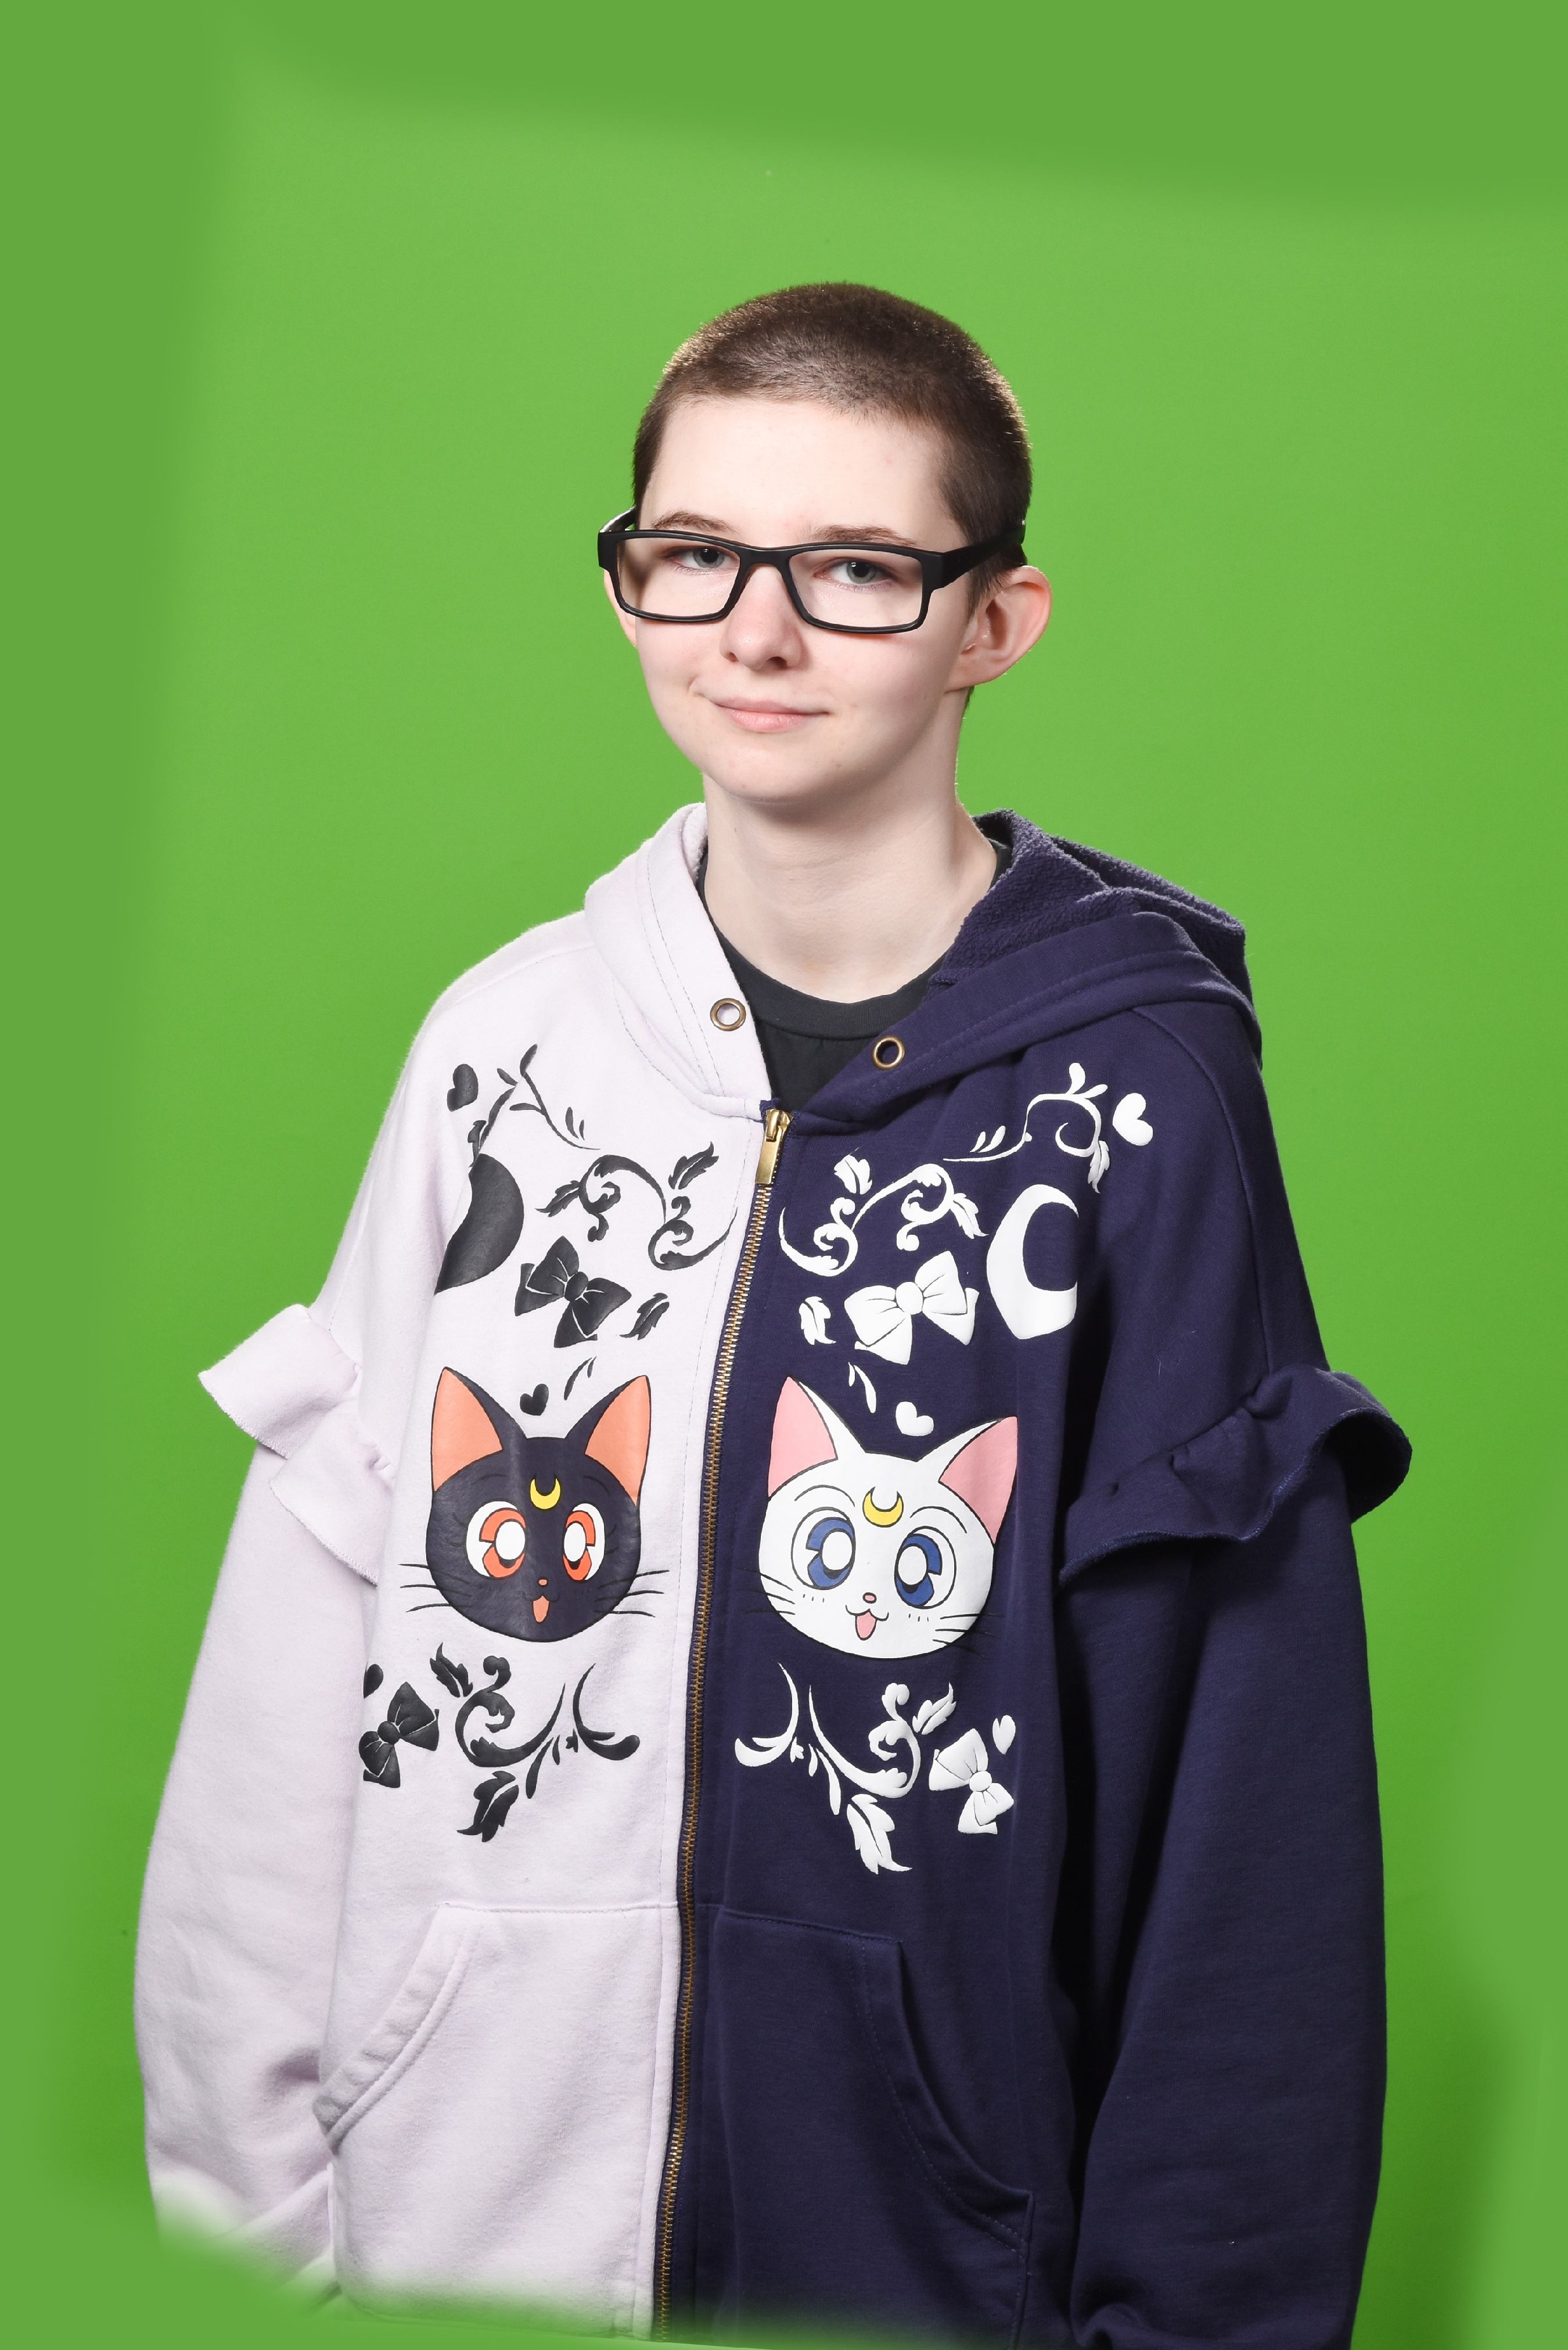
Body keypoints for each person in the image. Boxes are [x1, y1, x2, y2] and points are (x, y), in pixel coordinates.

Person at [136, 283, 1409, 2349]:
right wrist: (246, 2234)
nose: (755, 631)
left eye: (854, 569)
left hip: (915, 2258)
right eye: (695, 554)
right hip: (444, 2233)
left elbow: (1234, 1774)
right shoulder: (500, 1051)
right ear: (627, 581)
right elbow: (304, 1629)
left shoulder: (1138, 1101)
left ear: (991, 619)